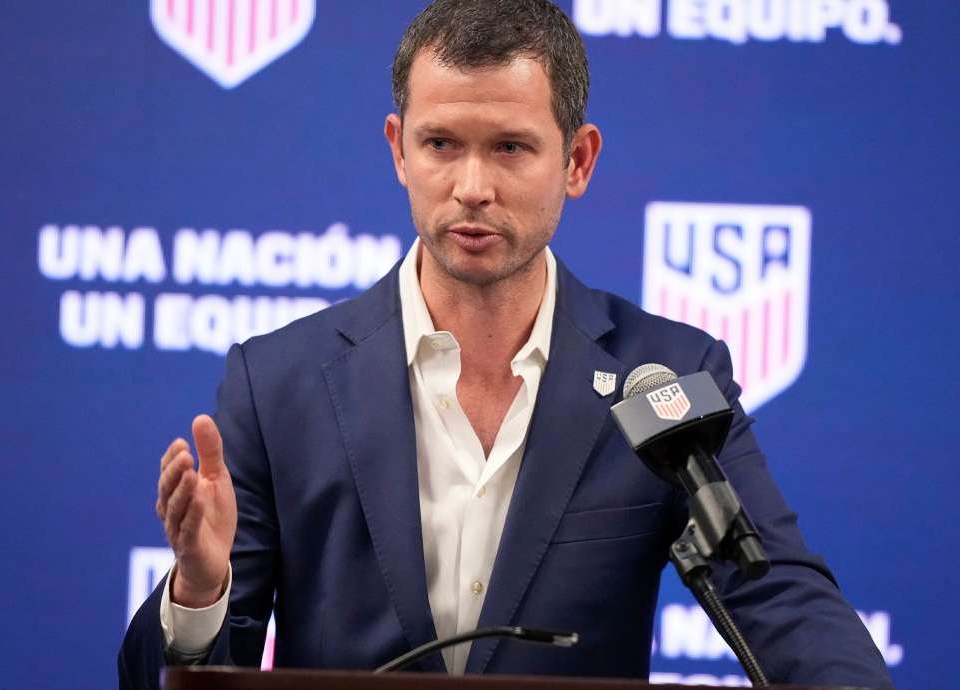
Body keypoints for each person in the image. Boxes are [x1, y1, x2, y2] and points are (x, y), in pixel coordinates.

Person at [119, 1, 894, 688]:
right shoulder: (278, 384)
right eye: (440, 143)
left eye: (511, 148)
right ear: (398, 150)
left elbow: (780, 596)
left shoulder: (665, 378)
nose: (472, 187)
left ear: (577, 161)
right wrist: (200, 591)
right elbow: (167, 680)